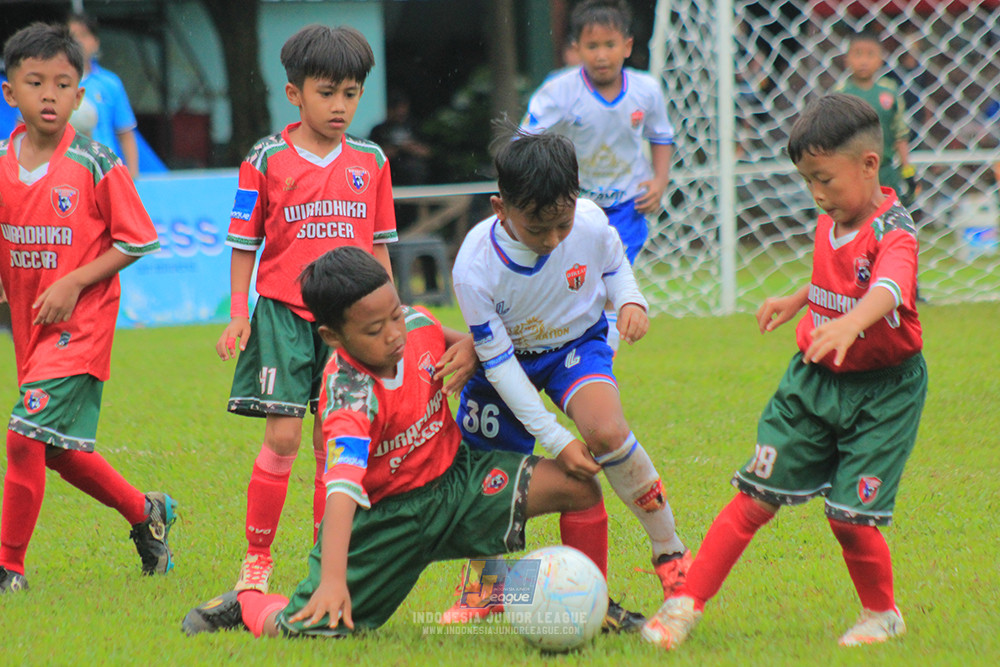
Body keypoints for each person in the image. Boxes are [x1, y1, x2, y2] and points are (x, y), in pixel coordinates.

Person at [182, 246, 603, 637]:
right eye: (374, 329)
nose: (394, 334)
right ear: (333, 337)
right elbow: (342, 489)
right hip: (387, 521)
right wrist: (332, 581)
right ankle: (250, 604)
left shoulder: (417, 323)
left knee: (580, 488)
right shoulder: (349, 396)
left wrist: (474, 347)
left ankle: (586, 605)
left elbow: (480, 347)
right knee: (304, 629)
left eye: (395, 316)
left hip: (459, 482)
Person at [641, 93, 927, 650]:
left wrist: (852, 325)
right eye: (808, 182)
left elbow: (890, 286)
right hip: (813, 381)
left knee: (850, 519)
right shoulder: (836, 215)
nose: (818, 195)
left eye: (825, 179)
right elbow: (840, 274)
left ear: (870, 164)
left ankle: (881, 614)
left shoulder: (896, 229)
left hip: (883, 394)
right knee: (754, 498)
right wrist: (800, 298)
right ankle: (684, 604)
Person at [443, 128, 691, 632]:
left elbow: (615, 265)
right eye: (538, 228)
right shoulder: (473, 267)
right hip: (503, 367)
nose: (554, 239)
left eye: (563, 223)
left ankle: (670, 554)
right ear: (500, 209)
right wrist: (555, 441)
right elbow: (499, 365)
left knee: (606, 432)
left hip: (574, 348)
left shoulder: (592, 223)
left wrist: (630, 300)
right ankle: (486, 587)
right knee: (487, 476)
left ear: (576, 201)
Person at [216, 24, 397, 597]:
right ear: (294, 93)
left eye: (351, 93)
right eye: (326, 92)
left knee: (336, 441)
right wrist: (239, 312)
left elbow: (379, 248)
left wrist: (392, 321)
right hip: (282, 316)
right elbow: (244, 242)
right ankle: (257, 557)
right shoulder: (265, 157)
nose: (340, 106)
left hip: (348, 326)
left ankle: (326, 558)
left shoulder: (371, 160)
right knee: (285, 439)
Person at [0, 23, 176, 593]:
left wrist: (74, 282)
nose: (49, 94)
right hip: (31, 328)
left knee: (23, 438)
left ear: (81, 96)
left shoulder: (96, 161)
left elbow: (138, 239)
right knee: (56, 453)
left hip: (83, 326)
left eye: (63, 84)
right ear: (10, 93)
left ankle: (9, 570)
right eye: (35, 82)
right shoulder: (1, 165)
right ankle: (144, 513)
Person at [520, 0, 674, 267]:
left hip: (628, 204)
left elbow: (661, 136)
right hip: (574, 205)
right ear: (577, 48)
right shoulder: (559, 90)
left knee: (615, 275)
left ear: (627, 46)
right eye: (592, 46)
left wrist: (660, 180)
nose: (601, 55)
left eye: (610, 45)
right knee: (575, 277)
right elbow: (523, 141)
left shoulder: (646, 90)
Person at [835, 31, 917, 207]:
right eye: (858, 54)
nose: (864, 61)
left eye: (870, 54)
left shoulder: (889, 91)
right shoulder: (841, 94)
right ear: (847, 59)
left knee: (888, 222)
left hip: (885, 170)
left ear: (880, 59)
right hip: (852, 173)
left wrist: (907, 170)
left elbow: (900, 133)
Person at [66, 13, 140, 179]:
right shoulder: (52, 82)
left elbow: (126, 134)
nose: (77, 41)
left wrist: (133, 178)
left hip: (105, 172)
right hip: (65, 172)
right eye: (72, 36)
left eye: (83, 35)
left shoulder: (111, 83)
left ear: (96, 43)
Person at [368, 90, 431, 187]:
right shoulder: (379, 130)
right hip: (391, 179)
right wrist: (398, 149)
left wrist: (410, 147)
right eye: (396, 108)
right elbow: (372, 158)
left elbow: (427, 152)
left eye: (403, 107)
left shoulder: (414, 126)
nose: (400, 112)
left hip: (417, 181)